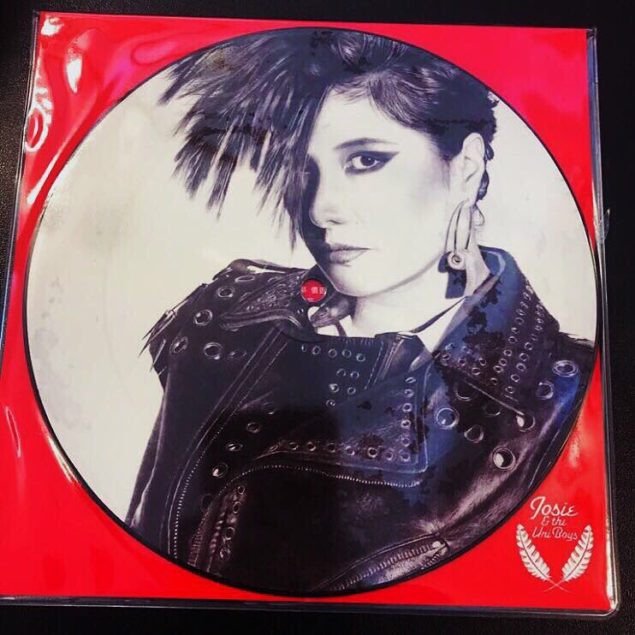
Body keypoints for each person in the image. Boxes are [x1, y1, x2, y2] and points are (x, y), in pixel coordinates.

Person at [126, 29, 594, 595]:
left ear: (465, 168)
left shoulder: (562, 397)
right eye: (302, 169)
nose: (320, 209)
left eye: (366, 160)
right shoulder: (227, 320)